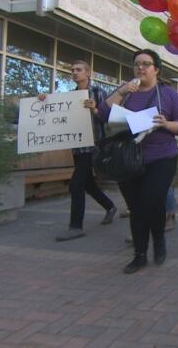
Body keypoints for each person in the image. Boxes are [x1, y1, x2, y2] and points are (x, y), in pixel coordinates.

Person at [98, 49, 178, 274]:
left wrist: (166, 124)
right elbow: (103, 115)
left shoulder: (167, 94)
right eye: (137, 64)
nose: (140, 68)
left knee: (152, 202)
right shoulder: (126, 92)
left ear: (156, 70)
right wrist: (120, 92)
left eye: (146, 64)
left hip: (161, 157)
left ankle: (158, 240)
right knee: (136, 208)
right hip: (128, 159)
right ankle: (139, 255)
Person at [43, 60, 118, 242]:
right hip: (77, 146)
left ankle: (76, 226)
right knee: (87, 183)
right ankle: (110, 206)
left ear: (88, 73)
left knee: (76, 184)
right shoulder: (69, 97)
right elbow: (57, 116)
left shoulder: (98, 92)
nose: (75, 73)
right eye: (73, 70)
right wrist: (43, 100)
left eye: (79, 70)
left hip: (93, 145)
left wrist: (96, 109)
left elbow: (110, 118)